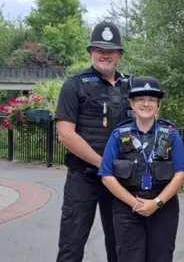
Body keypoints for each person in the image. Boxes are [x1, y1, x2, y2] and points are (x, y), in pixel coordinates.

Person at [55, 20, 131, 262]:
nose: (104, 55)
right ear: (90, 52)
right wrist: (104, 165)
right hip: (83, 179)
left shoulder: (132, 86)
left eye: (110, 50)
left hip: (120, 180)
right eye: (99, 49)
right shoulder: (74, 84)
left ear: (119, 54)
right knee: (71, 246)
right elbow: (65, 134)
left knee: (120, 247)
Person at [98, 76, 184, 262]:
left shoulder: (171, 134)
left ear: (158, 104)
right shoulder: (118, 135)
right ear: (131, 103)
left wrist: (157, 203)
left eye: (152, 99)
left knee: (161, 257)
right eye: (140, 99)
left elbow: (180, 175)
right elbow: (107, 176)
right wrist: (135, 204)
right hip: (127, 208)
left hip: (163, 208)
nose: (146, 104)